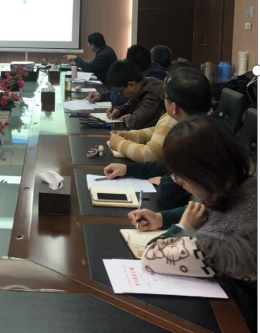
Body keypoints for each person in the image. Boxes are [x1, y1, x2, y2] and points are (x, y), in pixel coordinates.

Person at [127, 117, 256, 323]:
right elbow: (205, 210)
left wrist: (182, 227)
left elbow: (152, 256)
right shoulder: (243, 185)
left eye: (179, 177)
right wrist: (161, 217)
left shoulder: (225, 242)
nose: (179, 182)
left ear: (201, 174)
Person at [104, 66, 213, 208]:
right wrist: (128, 168)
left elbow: (169, 193)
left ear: (174, 107)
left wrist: (165, 181)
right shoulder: (207, 125)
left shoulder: (191, 137)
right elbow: (165, 162)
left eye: (164, 97)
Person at [87, 44, 165, 106]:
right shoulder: (147, 69)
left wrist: (117, 78)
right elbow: (121, 91)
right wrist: (102, 96)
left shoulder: (152, 78)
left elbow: (118, 101)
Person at [104, 60, 164, 129]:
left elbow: (134, 123)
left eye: (121, 92)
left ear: (131, 85)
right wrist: (118, 110)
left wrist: (125, 118)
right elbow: (130, 106)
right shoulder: (142, 85)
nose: (121, 95)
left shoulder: (152, 91)